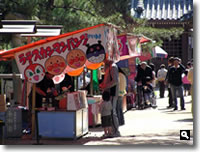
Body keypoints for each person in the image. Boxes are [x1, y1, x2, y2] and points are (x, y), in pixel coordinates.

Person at [99, 58, 120, 137]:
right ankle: (111, 131)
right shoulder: (108, 67)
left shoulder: (113, 67)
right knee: (111, 113)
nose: (103, 61)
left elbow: (115, 81)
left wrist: (105, 86)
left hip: (112, 93)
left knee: (112, 112)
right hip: (109, 93)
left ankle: (115, 131)